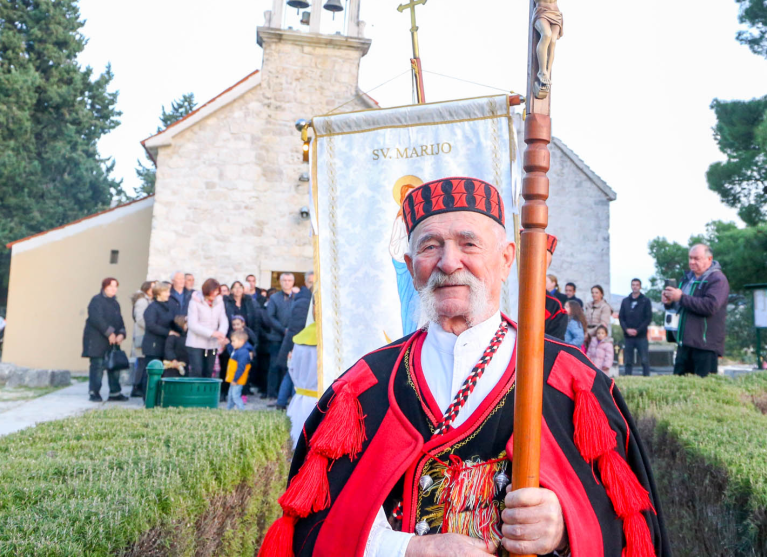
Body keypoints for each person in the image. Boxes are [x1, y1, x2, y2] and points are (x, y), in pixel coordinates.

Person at [258, 176, 670, 557]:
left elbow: (632, 527)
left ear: (507, 259)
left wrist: (565, 529)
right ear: (411, 265)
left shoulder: (569, 380)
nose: (448, 261)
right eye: (430, 246)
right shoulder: (364, 387)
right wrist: (408, 549)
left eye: (469, 244)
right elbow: (313, 528)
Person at [662, 243, 729, 378]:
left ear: (709, 259)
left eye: (696, 258)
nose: (692, 262)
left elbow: (710, 306)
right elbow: (682, 305)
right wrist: (669, 302)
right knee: (679, 388)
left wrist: (680, 297)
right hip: (684, 343)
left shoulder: (718, 280)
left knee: (704, 390)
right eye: (690, 258)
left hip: (705, 346)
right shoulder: (687, 279)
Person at [82, 277, 128, 402]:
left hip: (112, 343)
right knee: (97, 366)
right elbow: (96, 319)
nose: (113, 289)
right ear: (104, 287)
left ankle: (115, 392)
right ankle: (94, 392)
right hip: (97, 340)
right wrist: (109, 333)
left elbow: (120, 321)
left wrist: (121, 334)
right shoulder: (96, 301)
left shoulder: (115, 303)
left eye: (115, 286)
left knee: (114, 366)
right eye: (110, 286)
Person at [266, 273, 306, 406]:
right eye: (284, 280)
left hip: (294, 338)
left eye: (289, 280)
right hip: (277, 337)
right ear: (280, 282)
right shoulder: (274, 298)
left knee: (290, 368)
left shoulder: (298, 297)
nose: (287, 283)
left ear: (293, 282)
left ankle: (287, 397)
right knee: (274, 366)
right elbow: (270, 317)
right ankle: (272, 394)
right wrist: (283, 330)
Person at [186, 278, 229, 378]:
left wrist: (221, 333)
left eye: (216, 292)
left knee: (209, 372)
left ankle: (206, 393)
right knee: (197, 371)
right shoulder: (194, 302)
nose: (214, 295)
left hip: (212, 344)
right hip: (195, 343)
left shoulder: (219, 302)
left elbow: (223, 319)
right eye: (212, 292)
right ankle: (195, 393)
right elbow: (192, 324)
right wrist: (212, 333)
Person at [137, 282, 174, 398]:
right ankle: (148, 398)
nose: (169, 294)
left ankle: (158, 397)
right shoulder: (152, 308)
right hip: (153, 346)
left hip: (164, 345)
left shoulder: (168, 306)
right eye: (166, 291)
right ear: (159, 293)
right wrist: (168, 332)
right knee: (151, 373)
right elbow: (151, 325)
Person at [286, 322, 319, 447]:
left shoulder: (299, 343)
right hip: (319, 401)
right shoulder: (326, 344)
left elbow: (292, 367)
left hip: (299, 400)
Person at [619, 278, 653, 377]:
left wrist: (638, 330)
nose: (635, 287)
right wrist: (626, 329)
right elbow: (621, 317)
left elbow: (648, 318)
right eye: (633, 285)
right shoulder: (625, 301)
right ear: (631, 286)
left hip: (641, 336)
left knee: (644, 360)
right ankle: (627, 377)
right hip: (628, 336)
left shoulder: (645, 301)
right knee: (628, 360)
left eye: (637, 285)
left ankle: (647, 378)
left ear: (640, 286)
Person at [129, 280, 154, 399]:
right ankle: (136, 386)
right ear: (148, 289)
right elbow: (140, 319)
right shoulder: (142, 301)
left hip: (145, 335)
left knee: (143, 363)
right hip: (142, 336)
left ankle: (138, 386)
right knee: (142, 363)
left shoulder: (147, 300)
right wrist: (152, 327)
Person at [224, 329, 253, 410]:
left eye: (233, 341)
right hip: (234, 378)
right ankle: (228, 410)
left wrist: (235, 379)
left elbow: (241, 367)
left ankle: (241, 410)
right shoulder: (238, 350)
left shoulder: (243, 352)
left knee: (235, 396)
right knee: (230, 396)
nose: (232, 343)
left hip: (237, 379)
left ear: (242, 341)